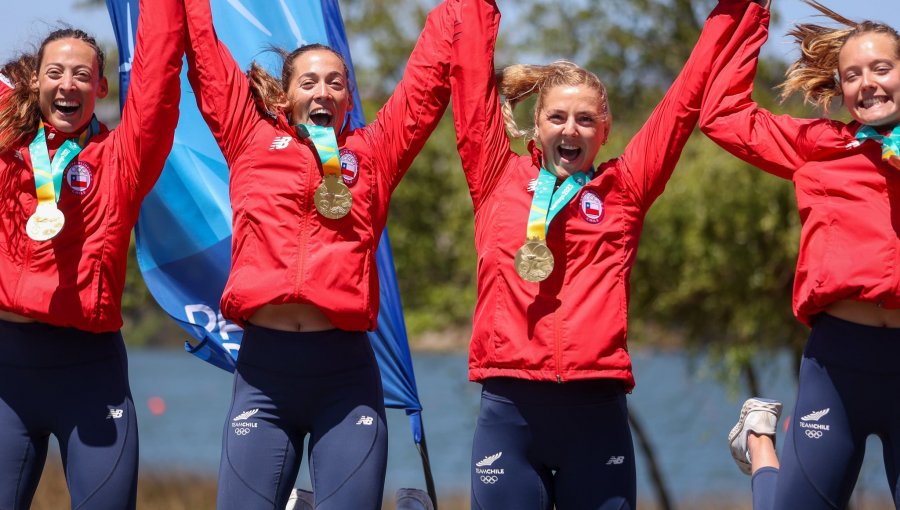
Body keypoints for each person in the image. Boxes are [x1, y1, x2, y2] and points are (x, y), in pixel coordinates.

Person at [449, 0, 767, 508]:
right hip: (510, 408)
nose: (570, 129)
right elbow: (467, 86)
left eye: (584, 119)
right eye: (557, 116)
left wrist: (744, 9)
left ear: (604, 129)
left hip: (596, 409)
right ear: (537, 124)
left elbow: (683, 101)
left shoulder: (625, 188)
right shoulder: (495, 178)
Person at [180, 0, 456, 507]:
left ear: (348, 97)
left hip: (344, 377)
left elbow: (427, 84)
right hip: (264, 376)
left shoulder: (374, 152)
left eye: (335, 82)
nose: (322, 90)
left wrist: (462, 9)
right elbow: (202, 53)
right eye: (308, 82)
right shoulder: (248, 136)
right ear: (286, 96)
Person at [705, 0, 900, 508]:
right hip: (838, 365)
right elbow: (722, 115)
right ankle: (759, 440)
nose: (868, 83)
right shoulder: (819, 145)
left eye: (882, 68)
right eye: (852, 75)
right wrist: (751, 13)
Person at [0, 1, 185, 509]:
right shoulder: (5, 147)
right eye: (54, 73)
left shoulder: (121, 159)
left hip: (89, 372)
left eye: (82, 74)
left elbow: (157, 80)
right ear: (33, 83)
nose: (67, 85)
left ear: (101, 88)